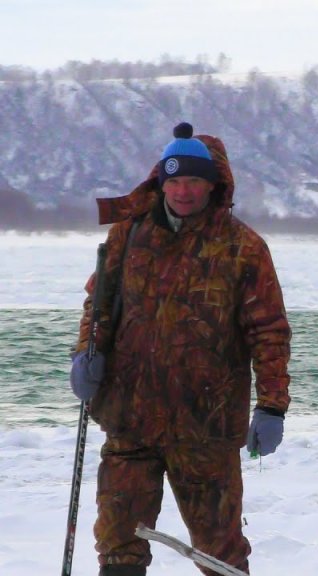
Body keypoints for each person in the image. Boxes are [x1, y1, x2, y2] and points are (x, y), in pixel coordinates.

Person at [69, 122, 292, 576]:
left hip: (206, 427)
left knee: (219, 552)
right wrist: (85, 354)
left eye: (194, 181)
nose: (183, 191)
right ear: (160, 182)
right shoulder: (128, 236)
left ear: (214, 185)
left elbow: (268, 331)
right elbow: (100, 305)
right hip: (129, 419)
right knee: (118, 544)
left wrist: (272, 406)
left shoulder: (243, 248)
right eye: (174, 180)